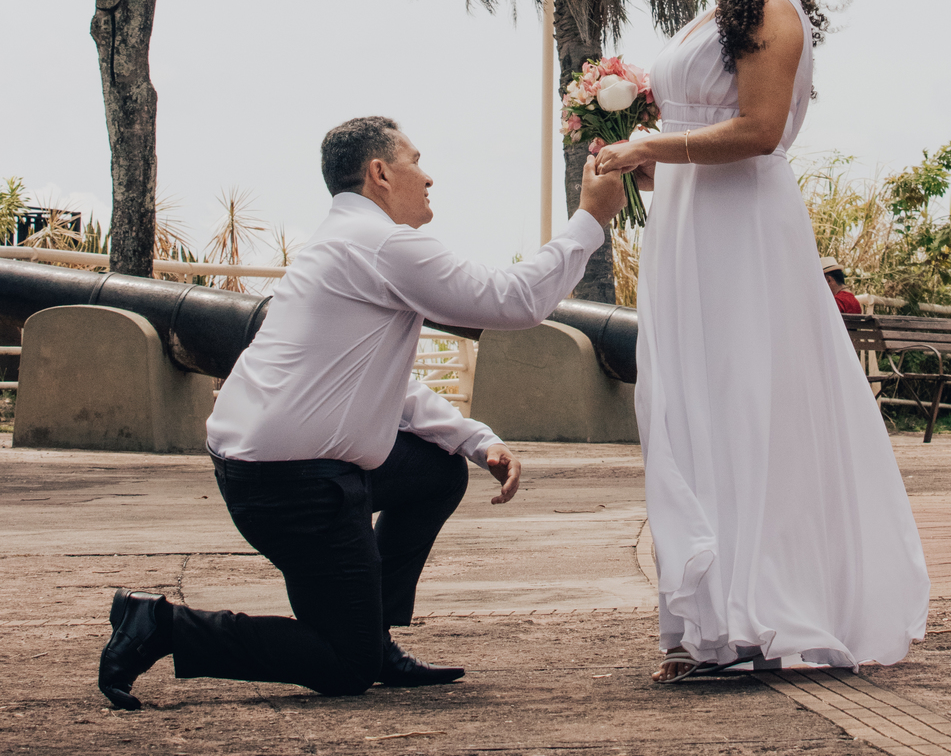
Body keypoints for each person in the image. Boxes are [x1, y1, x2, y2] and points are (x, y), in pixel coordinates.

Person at [99, 115, 627, 711]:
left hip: (280, 469)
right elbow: (515, 300)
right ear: (379, 173)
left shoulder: (347, 241)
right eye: (415, 162)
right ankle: (162, 626)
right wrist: (590, 220)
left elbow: (372, 382)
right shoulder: (382, 244)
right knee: (344, 665)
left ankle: (373, 634)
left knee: (437, 470)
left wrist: (475, 440)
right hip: (293, 485)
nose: (428, 178)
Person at [595, 0, 929, 682]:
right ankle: (707, 619)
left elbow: (759, 130)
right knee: (691, 405)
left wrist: (651, 144)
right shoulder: (705, 18)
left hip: (742, 230)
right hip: (687, 226)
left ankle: (759, 612)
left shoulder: (772, 12)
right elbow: (698, 129)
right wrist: (645, 164)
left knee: (747, 402)